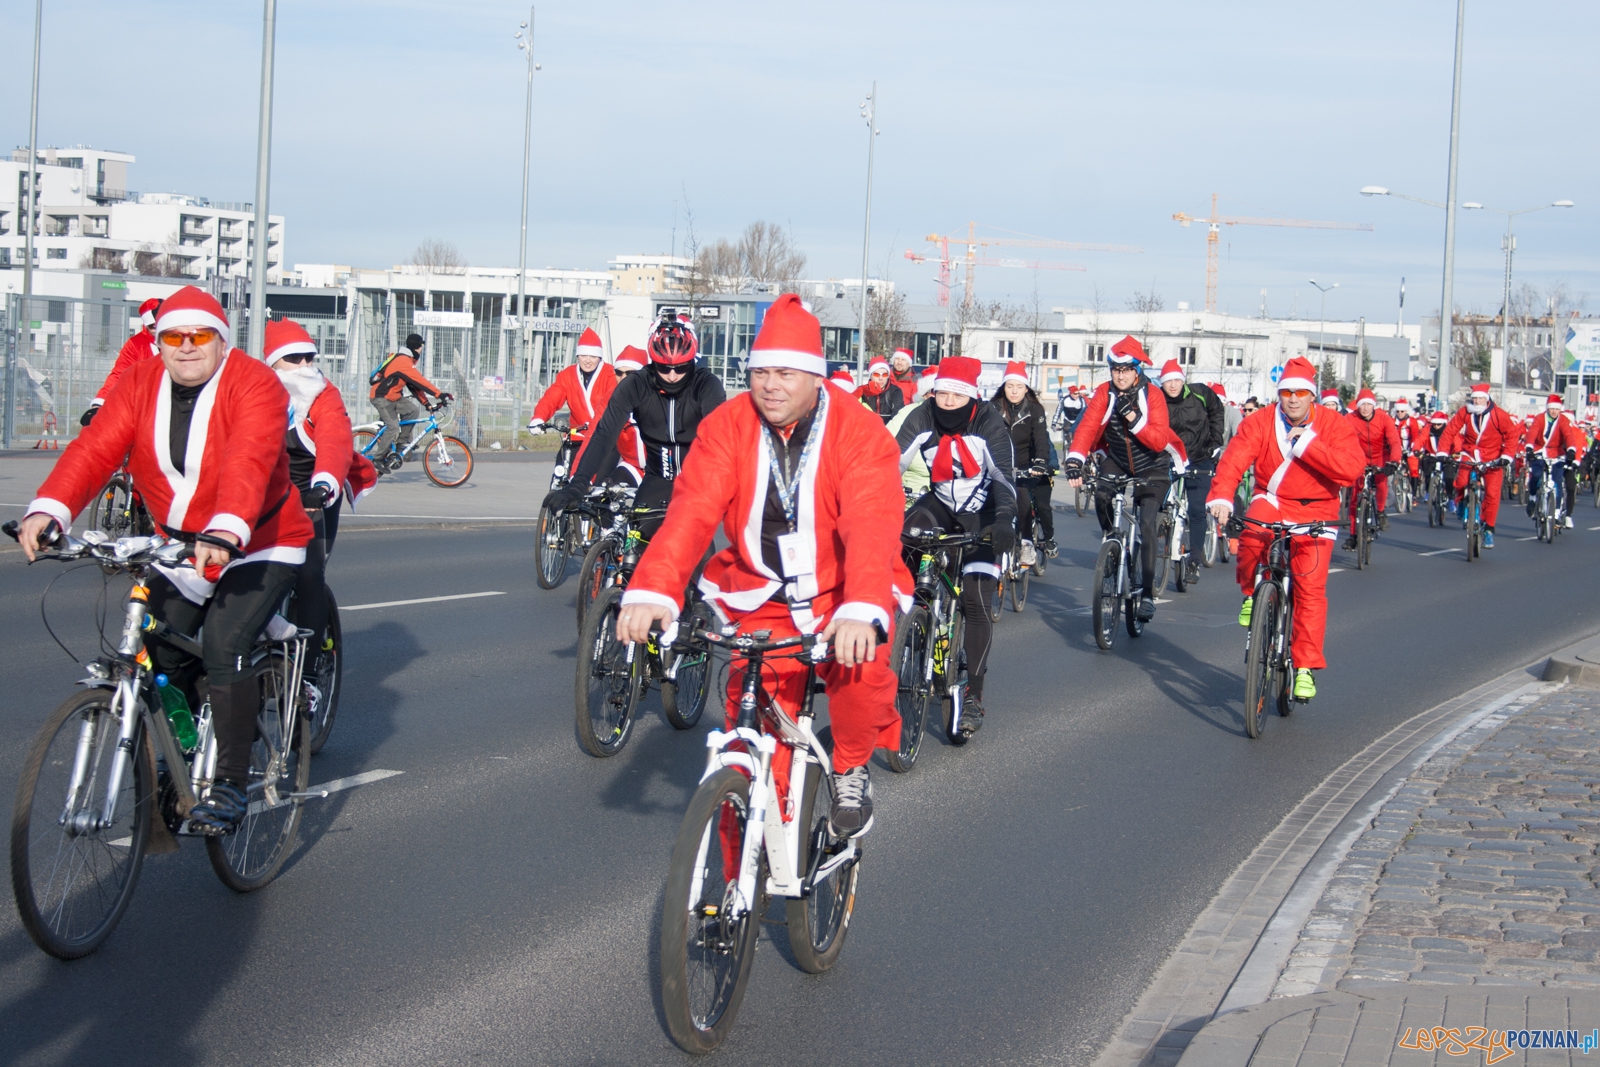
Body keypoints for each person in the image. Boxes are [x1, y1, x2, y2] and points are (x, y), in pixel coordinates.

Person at [17, 286, 315, 834]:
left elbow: (249, 457)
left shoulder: (255, 383)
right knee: (160, 652)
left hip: (260, 538)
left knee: (226, 644)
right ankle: (181, 751)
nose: (184, 347)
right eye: (172, 337)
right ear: (158, 342)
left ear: (221, 342)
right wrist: (52, 510)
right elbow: (96, 449)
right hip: (180, 544)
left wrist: (225, 529)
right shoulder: (140, 381)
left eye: (198, 336)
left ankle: (227, 783)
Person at [615, 294, 905, 837]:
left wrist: (863, 606)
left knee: (861, 672)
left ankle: (849, 768)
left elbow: (870, 523)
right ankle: (730, 900)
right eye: (760, 371)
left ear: (817, 377)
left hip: (842, 591)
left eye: (786, 373)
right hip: (758, 592)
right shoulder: (728, 424)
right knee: (745, 749)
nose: (770, 384)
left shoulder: (859, 434)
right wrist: (654, 587)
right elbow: (694, 508)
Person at [1206, 356, 1363, 701]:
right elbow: (1235, 458)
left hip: (1317, 510)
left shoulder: (1334, 425)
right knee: (1250, 537)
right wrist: (1222, 496)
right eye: (1286, 392)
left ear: (1312, 396)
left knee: (1309, 588)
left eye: (1300, 392)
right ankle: (1251, 592)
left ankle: (1304, 667)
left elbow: (1350, 470)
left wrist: (1307, 444)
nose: (1293, 398)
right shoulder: (1261, 421)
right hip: (1273, 498)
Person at [895, 355, 1016, 735]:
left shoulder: (988, 420)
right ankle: (911, 623)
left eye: (956, 393)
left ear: (970, 394)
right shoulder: (923, 415)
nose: (947, 400)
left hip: (985, 511)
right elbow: (887, 461)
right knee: (903, 538)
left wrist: (1003, 521)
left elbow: (1003, 475)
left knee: (976, 598)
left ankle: (974, 697)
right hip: (942, 503)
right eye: (942, 391)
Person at [543, 314, 725, 537]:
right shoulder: (637, 383)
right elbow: (603, 434)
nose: (672, 376)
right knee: (635, 540)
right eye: (664, 368)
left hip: (697, 478)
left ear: (691, 362)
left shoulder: (706, 384)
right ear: (653, 362)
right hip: (657, 477)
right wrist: (578, 483)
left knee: (693, 549)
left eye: (680, 368)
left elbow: (718, 435)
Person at [262, 318, 378, 657]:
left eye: (309, 358)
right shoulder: (257, 391)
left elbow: (335, 440)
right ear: (273, 362)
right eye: (293, 358)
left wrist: (324, 485)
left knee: (309, 573)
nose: (304, 366)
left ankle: (310, 670)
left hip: (315, 493)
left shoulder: (325, 394)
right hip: (268, 493)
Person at [1063, 336, 1187, 623]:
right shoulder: (1104, 392)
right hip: (1117, 459)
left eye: (1126, 370)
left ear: (1137, 370)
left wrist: (1134, 418)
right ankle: (1111, 539)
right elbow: (1088, 426)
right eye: (1115, 370)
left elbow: (1158, 440)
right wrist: (1075, 459)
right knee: (1103, 494)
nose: (1120, 375)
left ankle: (1146, 594)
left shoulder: (1152, 394)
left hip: (1153, 464)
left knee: (1145, 522)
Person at [1157, 360, 1225, 583]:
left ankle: (1194, 558)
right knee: (1157, 499)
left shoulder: (1200, 393)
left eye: (1176, 380)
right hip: (1170, 458)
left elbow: (1217, 411)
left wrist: (1216, 442)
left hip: (1199, 458)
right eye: (1168, 381)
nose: (1173, 385)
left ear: (1183, 380)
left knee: (1197, 508)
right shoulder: (1156, 399)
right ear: (1162, 383)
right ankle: (1161, 534)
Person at [1438, 382, 1519, 548]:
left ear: (1487, 399)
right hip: (1469, 452)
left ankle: (1488, 529)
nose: (1476, 402)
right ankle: (1460, 501)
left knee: (1492, 493)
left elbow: (1511, 434)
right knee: (1460, 481)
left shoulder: (1499, 415)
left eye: (1480, 398)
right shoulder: (1465, 412)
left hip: (1493, 456)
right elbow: (1450, 431)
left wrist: (1506, 456)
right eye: (1474, 399)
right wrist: (1443, 452)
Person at [993, 360, 1056, 559]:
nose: (1014, 391)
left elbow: (1040, 438)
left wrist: (1040, 462)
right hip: (1002, 465)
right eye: (1010, 386)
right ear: (1004, 387)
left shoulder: (1034, 410)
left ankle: (1031, 542)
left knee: (1038, 503)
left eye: (1019, 387)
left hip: (1029, 465)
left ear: (1025, 388)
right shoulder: (992, 408)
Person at [368, 333, 447, 462]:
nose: (422, 349)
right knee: (392, 427)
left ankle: (401, 444)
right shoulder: (403, 361)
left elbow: (414, 386)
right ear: (417, 347)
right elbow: (420, 381)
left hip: (394, 396)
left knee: (413, 410)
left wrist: (426, 403)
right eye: (421, 346)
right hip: (381, 397)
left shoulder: (407, 360)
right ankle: (378, 459)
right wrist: (439, 394)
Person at [83, 297, 163, 424]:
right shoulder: (136, 344)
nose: (159, 330)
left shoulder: (182, 340)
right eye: (153, 326)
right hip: (146, 410)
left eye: (162, 324)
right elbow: (119, 374)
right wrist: (99, 404)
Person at [528, 327, 615, 440]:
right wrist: (539, 418)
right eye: (583, 355)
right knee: (564, 457)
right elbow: (551, 398)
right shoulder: (567, 375)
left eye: (593, 356)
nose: (587, 360)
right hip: (578, 435)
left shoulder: (611, 374)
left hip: (606, 435)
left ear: (599, 357)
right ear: (577, 356)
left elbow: (613, 404)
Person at [1342, 388, 1402, 547]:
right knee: (1355, 496)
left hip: (1380, 456)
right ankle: (1353, 535)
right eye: (1363, 404)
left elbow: (1395, 442)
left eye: (1369, 404)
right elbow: (1341, 439)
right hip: (1359, 457)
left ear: (1374, 405)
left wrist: (1394, 461)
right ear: (1358, 405)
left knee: (1381, 483)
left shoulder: (1384, 418)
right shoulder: (1350, 418)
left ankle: (1381, 511)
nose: (1366, 408)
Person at [1525, 394, 1586, 528]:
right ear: (1547, 408)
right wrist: (1529, 448)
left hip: (1556, 452)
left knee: (1557, 481)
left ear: (1560, 409)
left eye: (1557, 409)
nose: (1554, 411)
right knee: (1535, 475)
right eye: (1551, 408)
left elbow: (1569, 436)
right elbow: (1532, 433)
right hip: (1539, 450)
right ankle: (1533, 498)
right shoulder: (1539, 418)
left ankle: (1557, 513)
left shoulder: (1563, 420)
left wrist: (1570, 451)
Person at [855, 354, 905, 422]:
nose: (881, 378)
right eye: (876, 374)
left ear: (888, 376)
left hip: (888, 430)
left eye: (884, 374)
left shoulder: (895, 392)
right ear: (870, 376)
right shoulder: (863, 392)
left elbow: (898, 416)